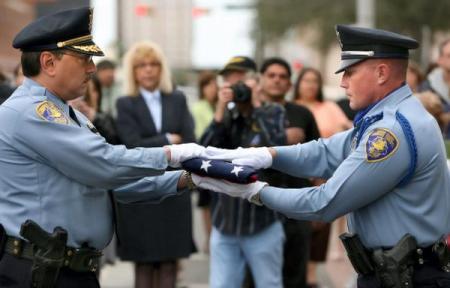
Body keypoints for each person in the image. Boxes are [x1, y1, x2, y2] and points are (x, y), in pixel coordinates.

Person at [194, 25, 450, 287]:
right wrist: (267, 155)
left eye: (350, 72)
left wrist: (254, 192)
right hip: (398, 273)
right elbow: (324, 152)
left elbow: (325, 203)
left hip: (408, 277)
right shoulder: (389, 118)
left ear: (382, 72)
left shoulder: (390, 131)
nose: (343, 82)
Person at [0, 7, 204, 288]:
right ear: (48, 63)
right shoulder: (31, 112)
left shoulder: (67, 113)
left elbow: (109, 185)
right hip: (43, 272)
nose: (92, 68)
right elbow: (106, 165)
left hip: (63, 270)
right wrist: (173, 153)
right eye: (84, 58)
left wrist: (188, 178)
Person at [199, 56, 286, 288]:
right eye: (230, 80)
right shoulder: (225, 116)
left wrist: (255, 106)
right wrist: (219, 111)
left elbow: (276, 150)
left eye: (241, 80)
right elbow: (202, 155)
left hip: (262, 223)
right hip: (225, 222)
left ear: (255, 81)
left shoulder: (273, 112)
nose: (236, 86)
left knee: (269, 284)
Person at [115, 40, 196, 288]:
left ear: (161, 69)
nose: (148, 70)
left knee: (170, 262)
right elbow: (132, 145)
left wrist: (158, 145)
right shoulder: (125, 103)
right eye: (141, 65)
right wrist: (168, 139)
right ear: (133, 71)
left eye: (153, 64)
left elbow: (190, 140)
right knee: (144, 263)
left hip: (175, 188)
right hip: (142, 189)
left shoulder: (178, 99)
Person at [259, 57, 320, 288]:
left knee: (295, 273)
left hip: (297, 205)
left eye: (283, 77)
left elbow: (320, 158)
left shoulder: (302, 114)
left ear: (289, 84)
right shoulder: (248, 115)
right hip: (259, 205)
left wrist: (319, 202)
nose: (277, 80)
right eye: (271, 75)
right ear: (261, 79)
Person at [190, 70, 218, 253]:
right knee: (206, 201)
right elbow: (200, 133)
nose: (212, 89)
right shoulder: (198, 108)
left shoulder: (222, 105)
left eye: (214, 84)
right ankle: (210, 236)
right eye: (208, 85)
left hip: (222, 157)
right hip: (205, 157)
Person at [69, 75, 120, 144]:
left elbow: (115, 143)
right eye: (86, 90)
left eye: (94, 90)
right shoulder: (71, 117)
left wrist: (96, 119)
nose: (90, 95)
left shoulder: (106, 118)